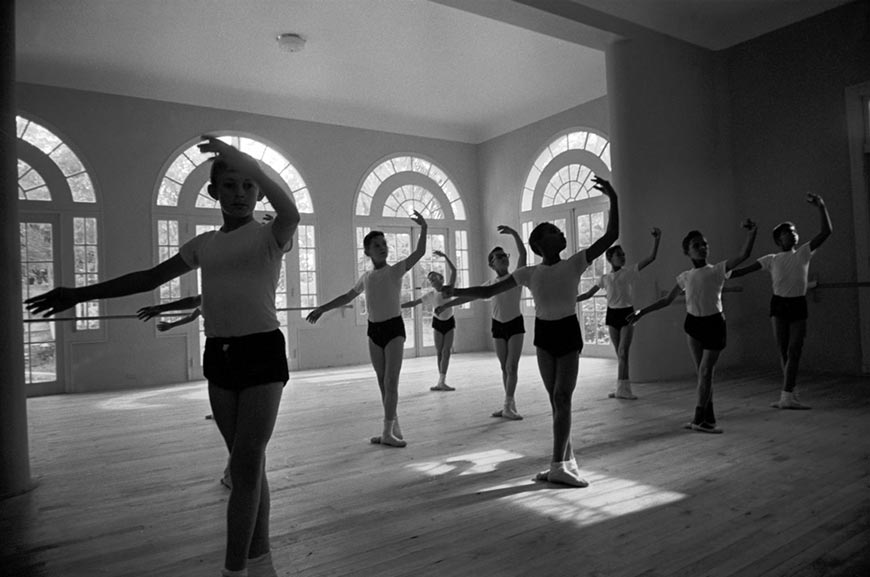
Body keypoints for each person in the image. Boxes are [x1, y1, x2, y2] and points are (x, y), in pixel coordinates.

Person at [26, 136, 300, 577]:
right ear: (214, 193)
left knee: (247, 464)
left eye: (248, 186)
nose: (239, 194)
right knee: (248, 463)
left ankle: (234, 570)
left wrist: (244, 158)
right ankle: (260, 557)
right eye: (229, 185)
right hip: (220, 356)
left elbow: (291, 210)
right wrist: (79, 294)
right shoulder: (204, 245)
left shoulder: (272, 234)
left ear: (259, 192)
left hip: (263, 353)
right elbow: (149, 277)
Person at [442, 176, 619, 487]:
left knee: (562, 397)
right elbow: (487, 293)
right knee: (556, 400)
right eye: (554, 231)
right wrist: (454, 290)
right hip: (544, 336)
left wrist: (613, 198)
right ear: (539, 245)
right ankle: (567, 461)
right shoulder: (528, 273)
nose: (561, 232)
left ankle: (557, 464)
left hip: (567, 333)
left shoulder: (575, 262)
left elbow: (611, 235)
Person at [306, 212, 428, 448]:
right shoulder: (366, 277)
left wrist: (424, 228)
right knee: (382, 383)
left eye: (384, 244)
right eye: (377, 245)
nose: (382, 248)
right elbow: (346, 296)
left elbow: (419, 253)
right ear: (367, 251)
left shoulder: (396, 270)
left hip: (393, 329)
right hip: (374, 331)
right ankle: (392, 425)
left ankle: (387, 432)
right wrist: (322, 308)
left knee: (391, 381)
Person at [627, 219, 758, 434]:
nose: (702, 247)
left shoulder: (717, 270)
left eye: (704, 244)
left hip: (714, 323)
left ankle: (699, 418)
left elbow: (743, 256)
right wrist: (642, 312)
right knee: (703, 374)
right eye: (697, 245)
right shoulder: (685, 277)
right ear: (687, 252)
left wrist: (752, 233)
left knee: (706, 371)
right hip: (694, 325)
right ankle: (709, 418)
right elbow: (667, 300)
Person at [729, 193, 832, 410]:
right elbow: (743, 271)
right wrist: (721, 273)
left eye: (793, 232)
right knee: (784, 350)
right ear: (778, 240)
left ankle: (787, 395)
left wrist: (821, 206)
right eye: (786, 233)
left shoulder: (803, 252)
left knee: (795, 349)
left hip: (797, 304)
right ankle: (789, 393)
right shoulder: (771, 259)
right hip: (778, 305)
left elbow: (826, 232)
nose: (791, 235)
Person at [438, 225, 527, 419]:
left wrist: (514, 234)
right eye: (498, 256)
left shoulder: (516, 277)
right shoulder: (490, 285)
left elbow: (523, 254)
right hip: (498, 325)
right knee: (504, 367)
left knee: (512, 366)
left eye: (504, 255)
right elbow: (468, 297)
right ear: (492, 264)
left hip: (515, 324)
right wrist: (446, 306)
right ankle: (508, 404)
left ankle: (508, 405)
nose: (503, 257)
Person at [575, 227, 661, 400]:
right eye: (619, 255)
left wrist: (657, 240)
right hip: (612, 315)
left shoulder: (629, 271)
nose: (623, 257)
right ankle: (621, 388)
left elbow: (651, 258)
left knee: (623, 352)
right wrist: (569, 300)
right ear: (610, 259)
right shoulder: (605, 278)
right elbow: (587, 295)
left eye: (623, 255)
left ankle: (624, 389)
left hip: (627, 314)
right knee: (620, 354)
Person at [401, 250, 457, 391]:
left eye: (434, 277)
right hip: (437, 323)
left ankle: (442, 380)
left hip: (449, 322)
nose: (432, 280)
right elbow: (414, 303)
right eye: (430, 279)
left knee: (446, 351)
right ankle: (441, 381)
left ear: (441, 278)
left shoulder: (448, 289)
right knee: (439, 352)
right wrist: (398, 306)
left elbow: (454, 271)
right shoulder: (430, 295)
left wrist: (445, 256)